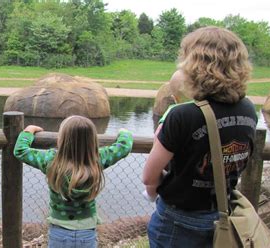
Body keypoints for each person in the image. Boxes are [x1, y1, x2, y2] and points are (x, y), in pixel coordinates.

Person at [142, 26, 257, 248]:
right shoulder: (248, 109)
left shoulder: (183, 115)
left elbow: (149, 176)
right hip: (221, 213)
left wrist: (152, 193)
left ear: (194, 64)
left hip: (177, 221)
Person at [14, 115, 133, 247]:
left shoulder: (51, 161)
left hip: (58, 232)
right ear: (92, 141)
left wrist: (29, 131)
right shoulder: (97, 160)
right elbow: (124, 147)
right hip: (86, 232)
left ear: (62, 139)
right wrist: (124, 133)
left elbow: (20, 151)